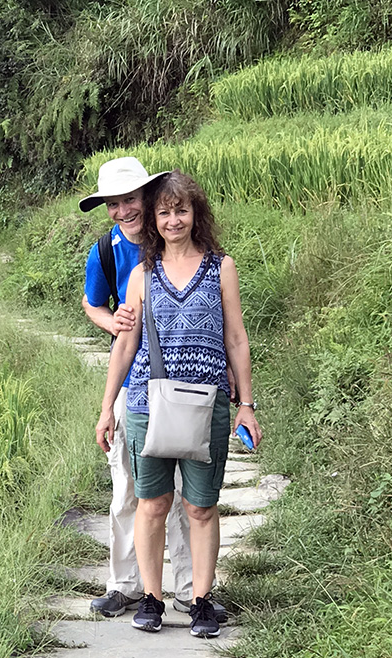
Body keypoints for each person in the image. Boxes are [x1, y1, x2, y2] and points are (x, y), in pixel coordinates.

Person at [95, 170, 261, 638]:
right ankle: (151, 598)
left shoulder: (220, 267)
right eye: (164, 212)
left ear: (196, 214)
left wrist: (245, 404)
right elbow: (124, 346)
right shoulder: (141, 274)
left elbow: (236, 338)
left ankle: (202, 601)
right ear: (154, 219)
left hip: (207, 404)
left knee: (201, 507)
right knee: (151, 504)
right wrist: (108, 407)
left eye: (181, 210)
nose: (173, 220)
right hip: (148, 404)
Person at [80, 157, 226, 622]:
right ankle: (129, 586)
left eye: (130, 201)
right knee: (134, 489)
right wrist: (113, 319)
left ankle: (188, 589)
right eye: (114, 204)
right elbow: (93, 304)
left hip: (193, 384)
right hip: (136, 384)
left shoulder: (185, 245)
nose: (123, 211)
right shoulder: (106, 250)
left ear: (150, 198)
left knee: (191, 497)